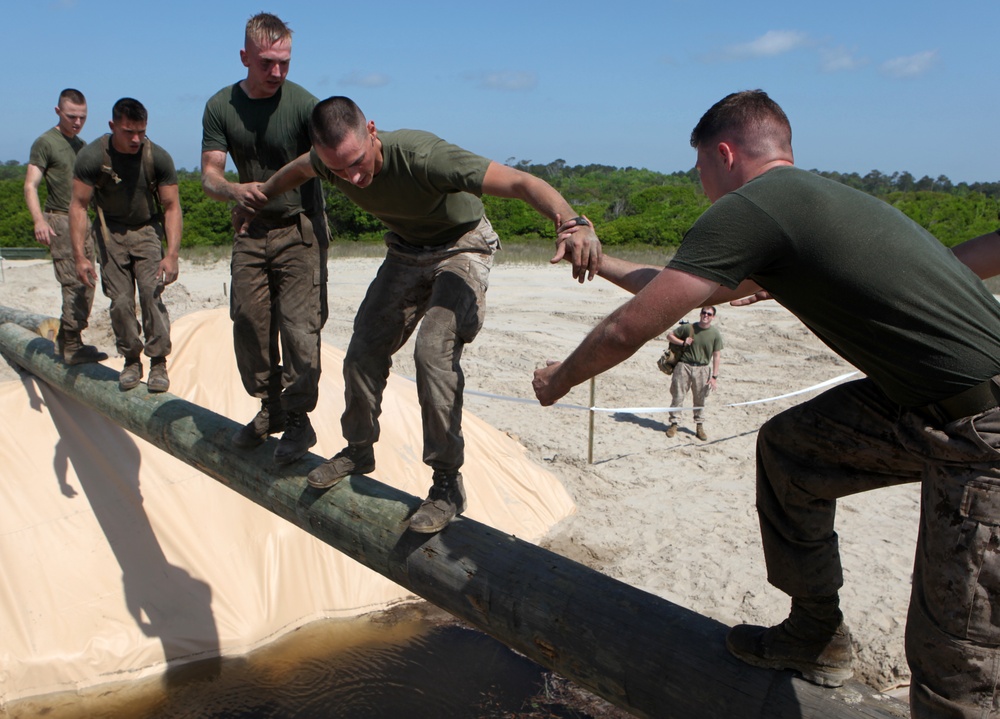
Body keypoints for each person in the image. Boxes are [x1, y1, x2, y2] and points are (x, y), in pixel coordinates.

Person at [532, 90, 1000, 719]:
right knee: (793, 450)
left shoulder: (753, 207)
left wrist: (560, 378)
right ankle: (815, 635)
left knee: (955, 661)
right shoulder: (809, 201)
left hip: (983, 430)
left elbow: (629, 329)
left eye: (700, 172)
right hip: (925, 405)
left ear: (724, 154)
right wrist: (602, 260)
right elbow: (677, 289)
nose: (702, 187)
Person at [252, 95, 601, 533]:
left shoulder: (424, 157)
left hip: (462, 246)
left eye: (358, 162)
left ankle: (446, 484)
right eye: (339, 170)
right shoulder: (327, 161)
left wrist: (571, 222)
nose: (353, 178)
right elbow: (296, 171)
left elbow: (519, 182)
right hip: (405, 250)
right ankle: (358, 449)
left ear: (372, 131)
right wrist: (260, 197)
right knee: (362, 350)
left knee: (432, 350)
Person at [201, 12, 329, 467]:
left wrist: (265, 191)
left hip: (300, 229)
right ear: (244, 57)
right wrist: (233, 191)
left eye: (285, 63)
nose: (276, 73)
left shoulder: (304, 106)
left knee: (299, 329)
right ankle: (269, 405)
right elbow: (210, 175)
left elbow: (321, 162)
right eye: (266, 63)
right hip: (250, 232)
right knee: (248, 323)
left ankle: (298, 420)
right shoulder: (221, 106)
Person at [71, 97, 181, 393]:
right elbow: (79, 206)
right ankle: (131, 358)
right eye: (128, 132)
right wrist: (80, 256)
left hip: (146, 230)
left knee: (150, 293)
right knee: (120, 301)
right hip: (110, 234)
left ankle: (158, 361)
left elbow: (171, 206)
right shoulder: (93, 156)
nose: (136, 139)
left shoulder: (157, 157)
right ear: (112, 126)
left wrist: (171, 254)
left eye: (141, 132)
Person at [24, 88, 107, 365]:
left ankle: (70, 339)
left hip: (83, 221)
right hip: (59, 219)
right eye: (72, 116)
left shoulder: (82, 147)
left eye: (82, 117)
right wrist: (39, 220)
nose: (77, 122)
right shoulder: (46, 142)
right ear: (58, 112)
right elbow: (30, 185)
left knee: (88, 282)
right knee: (73, 283)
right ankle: (70, 345)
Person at [664, 306, 723, 440]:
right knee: (678, 396)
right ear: (700, 314)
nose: (706, 315)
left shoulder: (715, 334)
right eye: (704, 313)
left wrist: (714, 376)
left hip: (702, 369)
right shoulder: (689, 328)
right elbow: (669, 336)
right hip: (683, 366)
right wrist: (683, 342)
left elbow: (717, 355)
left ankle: (699, 426)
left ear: (713, 317)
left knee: (700, 398)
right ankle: (674, 424)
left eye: (709, 314)